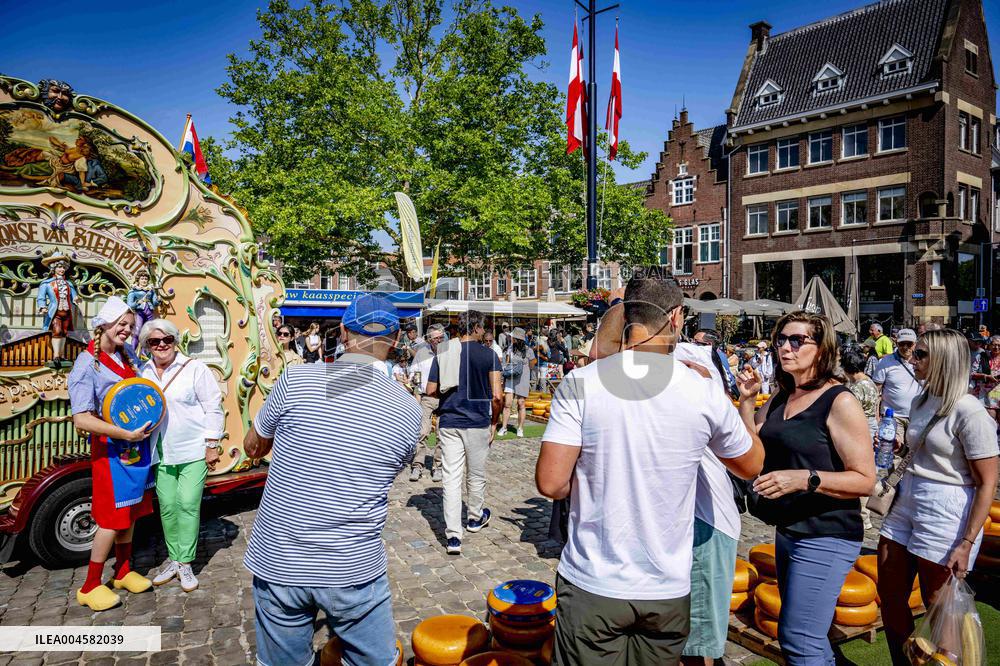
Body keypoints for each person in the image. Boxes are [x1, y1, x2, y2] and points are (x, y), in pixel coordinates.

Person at [537, 269, 764, 664]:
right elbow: (750, 466)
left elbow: (552, 483)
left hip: (594, 580)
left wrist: (596, 476)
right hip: (665, 587)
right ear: (676, 317)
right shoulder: (702, 389)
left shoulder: (581, 383)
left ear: (627, 318)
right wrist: (746, 410)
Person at [242, 294, 421, 666]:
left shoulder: (298, 378)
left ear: (341, 332)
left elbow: (253, 447)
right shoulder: (408, 410)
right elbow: (389, 469)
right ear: (397, 340)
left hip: (281, 557)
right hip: (351, 565)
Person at [740, 311, 875, 665]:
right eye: (781, 340)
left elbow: (865, 479)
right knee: (799, 633)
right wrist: (745, 400)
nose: (785, 347)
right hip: (789, 531)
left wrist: (805, 478)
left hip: (827, 533)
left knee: (800, 640)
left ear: (822, 348)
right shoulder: (782, 396)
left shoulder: (839, 401)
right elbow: (751, 442)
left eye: (797, 340)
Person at [877, 329, 999, 664]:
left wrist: (968, 542)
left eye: (921, 354)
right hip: (906, 499)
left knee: (939, 602)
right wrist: (903, 446)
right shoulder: (921, 399)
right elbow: (925, 447)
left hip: (946, 507)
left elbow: (987, 482)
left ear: (943, 359)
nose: (912, 359)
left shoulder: (971, 412)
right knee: (889, 593)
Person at [67, 297, 155, 611]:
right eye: (121, 324)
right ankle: (90, 585)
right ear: (103, 324)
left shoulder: (127, 354)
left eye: (130, 326)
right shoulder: (85, 364)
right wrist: (124, 434)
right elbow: (82, 418)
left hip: (136, 446)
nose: (127, 331)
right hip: (112, 450)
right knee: (111, 518)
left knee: (130, 511)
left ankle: (122, 571)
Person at [140, 319, 224, 593]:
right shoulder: (145, 372)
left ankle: (185, 562)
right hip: (161, 450)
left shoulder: (194, 368)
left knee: (187, 504)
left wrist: (212, 444)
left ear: (176, 341)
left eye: (167, 340)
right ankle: (174, 559)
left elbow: (212, 406)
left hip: (192, 449)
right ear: (147, 346)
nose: (162, 345)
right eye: (154, 341)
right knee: (167, 507)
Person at [426, 310, 503, 555]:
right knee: (476, 474)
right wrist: (495, 422)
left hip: (450, 420)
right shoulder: (489, 355)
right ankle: (474, 517)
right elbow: (498, 395)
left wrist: (450, 394)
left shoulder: (445, 352)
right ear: (478, 328)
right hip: (478, 419)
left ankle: (453, 536)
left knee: (451, 477)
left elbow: (430, 389)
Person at [841, 343, 881, 531]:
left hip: (861, 427)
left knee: (859, 470)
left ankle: (862, 515)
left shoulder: (857, 388)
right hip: (871, 424)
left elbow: (850, 412)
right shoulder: (870, 382)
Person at [408, 324, 445, 482]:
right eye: (436, 338)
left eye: (441, 337)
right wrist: (417, 397)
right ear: (429, 338)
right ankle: (417, 466)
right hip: (426, 397)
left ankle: (438, 467)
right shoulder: (422, 353)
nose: (439, 340)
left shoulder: (449, 352)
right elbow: (414, 375)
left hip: (445, 397)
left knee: (442, 434)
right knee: (422, 432)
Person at [872, 328, 922, 438]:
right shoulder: (885, 362)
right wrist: (876, 417)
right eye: (901, 344)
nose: (905, 347)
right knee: (894, 451)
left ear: (915, 344)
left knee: (913, 452)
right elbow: (875, 391)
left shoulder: (922, 361)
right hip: (892, 417)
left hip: (917, 416)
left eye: (909, 344)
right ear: (896, 343)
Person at [497, 327, 536, 438]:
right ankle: (504, 428)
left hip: (523, 378)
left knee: (521, 403)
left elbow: (533, 363)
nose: (511, 338)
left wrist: (526, 369)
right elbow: (506, 363)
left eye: (513, 337)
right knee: (507, 404)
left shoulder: (529, 350)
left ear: (518, 338)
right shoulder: (509, 348)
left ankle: (520, 428)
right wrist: (503, 377)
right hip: (511, 378)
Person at [982, 335, 1000, 422]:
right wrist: (985, 376)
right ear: (989, 345)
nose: (996, 347)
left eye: (999, 345)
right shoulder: (983, 356)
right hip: (988, 394)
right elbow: (972, 373)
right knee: (990, 421)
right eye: (994, 344)